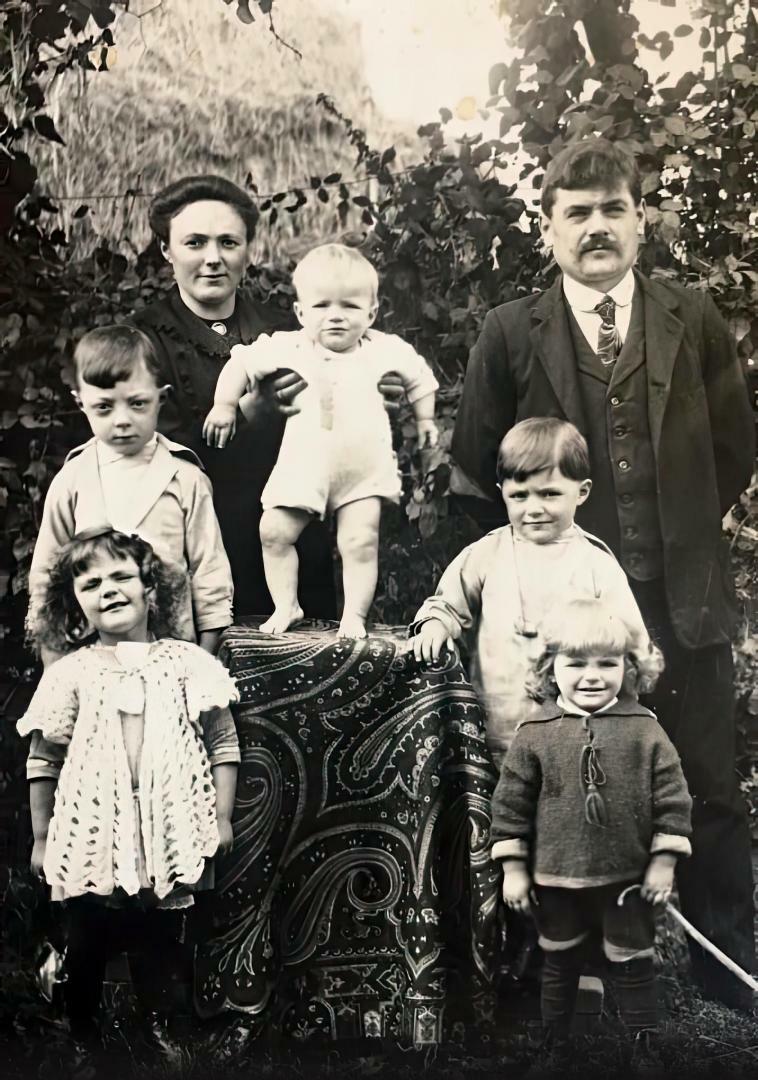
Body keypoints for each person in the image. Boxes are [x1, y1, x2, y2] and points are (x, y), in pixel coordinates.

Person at [451, 137, 756, 1009]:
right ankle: (554, 965)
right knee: (553, 779)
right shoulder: (512, 329)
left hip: (680, 593)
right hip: (557, 613)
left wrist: (685, 531)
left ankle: (725, 966)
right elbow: (479, 469)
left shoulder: (689, 317)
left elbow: (733, 447)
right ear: (549, 230)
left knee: (705, 780)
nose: (596, 228)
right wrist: (543, 565)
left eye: (612, 209)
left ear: (640, 220)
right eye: (576, 213)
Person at [131, 175, 404, 621]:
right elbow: (152, 460)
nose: (213, 259)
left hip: (296, 546)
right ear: (167, 250)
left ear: (248, 249)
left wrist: (372, 399)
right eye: (195, 243)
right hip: (198, 551)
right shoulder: (145, 341)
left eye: (228, 242)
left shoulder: (292, 330)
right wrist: (249, 419)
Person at [18, 528, 240, 1048]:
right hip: (91, 829)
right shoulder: (71, 673)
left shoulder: (187, 664)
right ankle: (82, 1032)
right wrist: (43, 837)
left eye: (121, 577)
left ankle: (162, 1028)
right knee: (89, 933)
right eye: (91, 583)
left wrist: (222, 817)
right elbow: (44, 758)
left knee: (159, 937)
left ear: (151, 591)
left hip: (167, 826)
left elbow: (223, 743)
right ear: (75, 605)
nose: (108, 590)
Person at [491, 598, 692, 1068]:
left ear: (630, 667)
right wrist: (514, 869)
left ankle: (643, 1043)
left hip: (627, 880)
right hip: (556, 877)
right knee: (558, 960)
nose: (592, 675)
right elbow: (510, 805)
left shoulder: (645, 731)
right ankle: (553, 1044)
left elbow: (673, 798)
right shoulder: (536, 733)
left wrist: (663, 862)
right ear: (550, 666)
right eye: (575, 662)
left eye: (608, 663)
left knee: (633, 959)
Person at [204, 243, 439, 638]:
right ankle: (287, 605)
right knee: (274, 532)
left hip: (362, 471)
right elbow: (241, 360)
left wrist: (426, 418)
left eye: (349, 306)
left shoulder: (384, 350)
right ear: (300, 312)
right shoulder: (289, 346)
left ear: (372, 311)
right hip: (304, 464)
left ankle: (354, 618)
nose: (335, 317)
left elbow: (420, 376)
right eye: (321, 306)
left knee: (359, 542)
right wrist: (225, 404)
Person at [411, 418, 648, 763]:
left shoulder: (596, 563)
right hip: (499, 730)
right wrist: (435, 624)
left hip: (577, 736)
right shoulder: (487, 554)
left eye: (549, 493)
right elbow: (448, 602)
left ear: (581, 492)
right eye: (519, 496)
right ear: (502, 492)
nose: (533, 508)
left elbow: (632, 646)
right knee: (504, 811)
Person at [27, 325, 233, 660]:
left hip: (173, 655)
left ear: (160, 398)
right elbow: (47, 578)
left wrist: (204, 662)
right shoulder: (73, 479)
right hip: (92, 660)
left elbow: (210, 575)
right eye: (104, 407)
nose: (122, 420)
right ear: (81, 404)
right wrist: (55, 666)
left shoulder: (185, 477)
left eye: (137, 404)